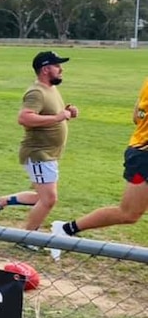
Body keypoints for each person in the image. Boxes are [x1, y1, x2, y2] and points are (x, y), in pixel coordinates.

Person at [0, 51, 76, 257]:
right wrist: (59, 117)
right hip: (38, 153)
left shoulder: (50, 89)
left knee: (40, 196)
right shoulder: (36, 92)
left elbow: (51, 113)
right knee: (49, 199)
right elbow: (25, 118)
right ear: (45, 69)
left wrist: (67, 111)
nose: (61, 69)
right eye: (57, 65)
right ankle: (28, 238)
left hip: (48, 153)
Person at [52, 78, 148, 238]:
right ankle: (65, 229)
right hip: (143, 159)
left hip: (140, 151)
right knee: (129, 213)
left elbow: (136, 116)